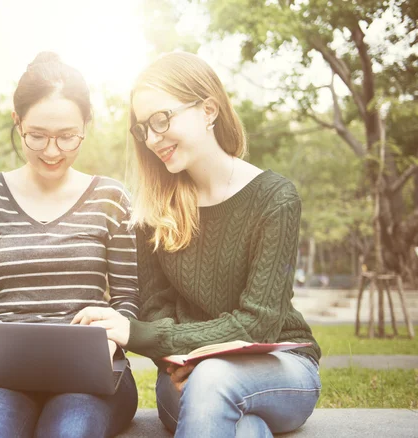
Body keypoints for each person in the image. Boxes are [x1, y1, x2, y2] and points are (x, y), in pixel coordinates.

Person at [72, 52, 322, 437]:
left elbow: (258, 324)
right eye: (143, 128)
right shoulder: (154, 208)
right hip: (181, 376)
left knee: (214, 377)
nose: (153, 138)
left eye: (161, 119)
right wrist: (180, 356)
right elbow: (154, 307)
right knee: (245, 427)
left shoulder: (275, 198)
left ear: (208, 110)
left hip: (279, 369)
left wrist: (154, 337)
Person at [0, 52, 139, 438]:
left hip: (92, 376)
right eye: (37, 135)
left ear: (87, 124)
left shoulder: (112, 198)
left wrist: (111, 340)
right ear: (18, 123)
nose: (52, 151)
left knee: (71, 432)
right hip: (2, 377)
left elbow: (129, 297)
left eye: (68, 136)